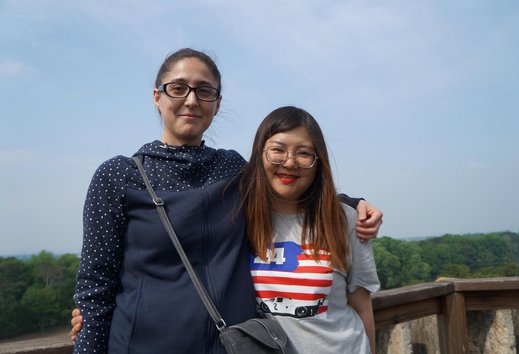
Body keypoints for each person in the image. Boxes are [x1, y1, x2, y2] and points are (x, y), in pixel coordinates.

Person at [72, 48, 383, 353]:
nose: (191, 100)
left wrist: (352, 205)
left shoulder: (231, 169)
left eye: (204, 91)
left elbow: (286, 185)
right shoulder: (120, 175)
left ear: (217, 104)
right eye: (178, 88)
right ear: (158, 96)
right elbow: (95, 287)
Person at [241, 106, 379, 353]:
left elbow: (362, 306)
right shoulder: (242, 218)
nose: (289, 162)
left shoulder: (344, 220)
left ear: (318, 162)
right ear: (260, 154)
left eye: (303, 153)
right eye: (277, 150)